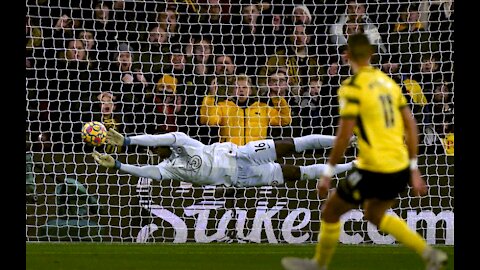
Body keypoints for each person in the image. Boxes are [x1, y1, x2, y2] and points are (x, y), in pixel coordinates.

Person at [281, 33, 448, 270]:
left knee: (330, 211)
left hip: (374, 167)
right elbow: (411, 125)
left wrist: (327, 172)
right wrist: (414, 169)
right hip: (399, 166)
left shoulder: (352, 87)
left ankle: (319, 264)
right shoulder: (389, 83)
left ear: (347, 55)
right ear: (371, 54)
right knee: (374, 214)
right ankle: (429, 253)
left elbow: (343, 136)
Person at [92, 129, 356, 188]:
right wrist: (118, 165)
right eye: (154, 149)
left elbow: (158, 138)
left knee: (290, 145)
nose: (155, 148)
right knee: (296, 173)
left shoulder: (182, 140)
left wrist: (128, 141)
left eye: (155, 146)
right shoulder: (169, 168)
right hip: (241, 177)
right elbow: (147, 172)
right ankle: (352, 165)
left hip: (240, 153)